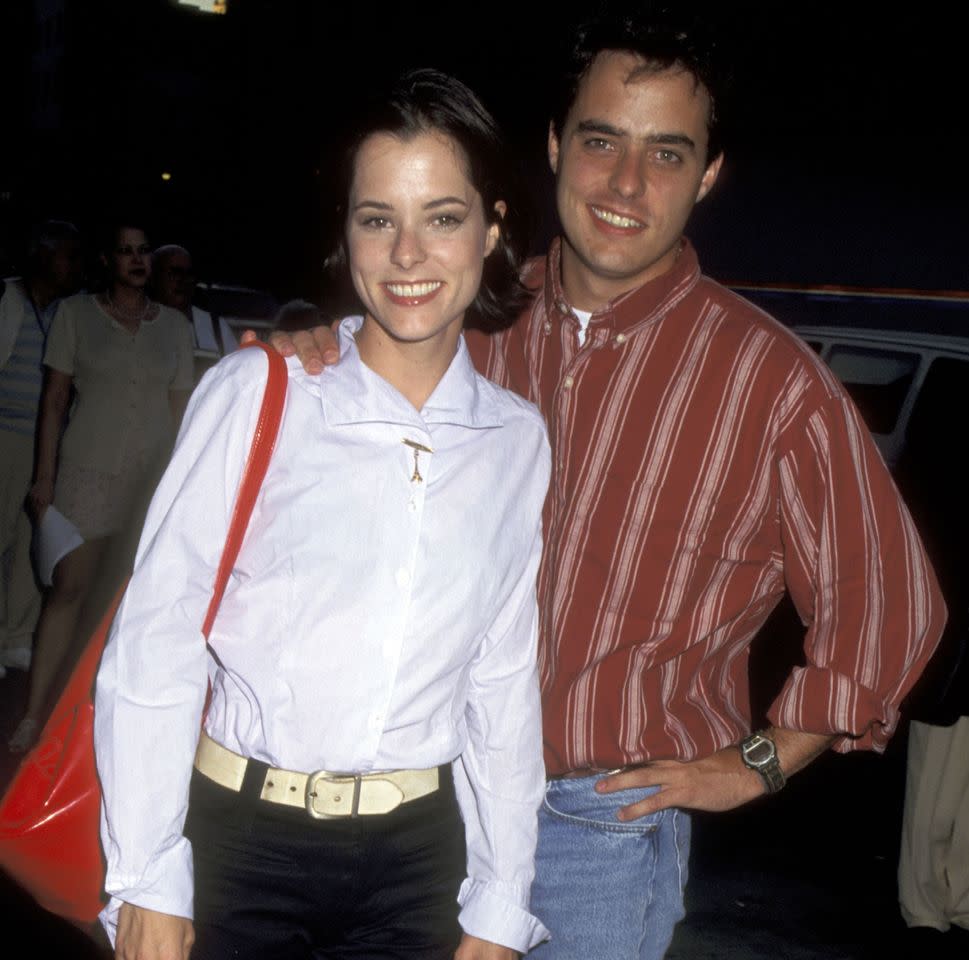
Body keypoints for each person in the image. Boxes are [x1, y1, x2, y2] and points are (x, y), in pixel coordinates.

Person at [268, 11, 946, 959]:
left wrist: (754, 763)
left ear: (709, 174)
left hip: (592, 838)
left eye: (667, 155)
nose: (626, 185)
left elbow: (890, 604)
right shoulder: (470, 320)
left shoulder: (770, 381)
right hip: (417, 806)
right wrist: (315, 353)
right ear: (553, 146)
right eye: (601, 142)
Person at [94, 69, 550, 960]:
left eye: (443, 217)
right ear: (346, 235)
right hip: (239, 844)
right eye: (377, 218)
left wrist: (501, 897)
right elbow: (158, 637)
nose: (407, 254)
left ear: (493, 229)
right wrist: (147, 874)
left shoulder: (514, 439)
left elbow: (500, 680)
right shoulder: (263, 393)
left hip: (419, 859)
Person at [7, 222, 194, 753]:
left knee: (131, 607)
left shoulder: (176, 329)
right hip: (85, 474)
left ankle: (100, 723)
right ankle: (34, 716)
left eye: (143, 252)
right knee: (67, 594)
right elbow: (54, 401)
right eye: (125, 252)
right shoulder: (76, 316)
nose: (136, 260)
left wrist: (184, 484)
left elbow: (183, 412)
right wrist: (43, 477)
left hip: (150, 484)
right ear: (108, 261)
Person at [0, 220, 83, 681]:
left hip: (45, 440)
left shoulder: (70, 311)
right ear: (42, 256)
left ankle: (14, 637)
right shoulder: (7, 298)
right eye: (67, 256)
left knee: (31, 542)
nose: (74, 266)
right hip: (5, 435)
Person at [151, 244, 239, 382]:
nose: (183, 280)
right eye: (174, 273)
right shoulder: (137, 323)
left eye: (189, 274)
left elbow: (236, 377)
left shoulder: (216, 328)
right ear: (153, 278)